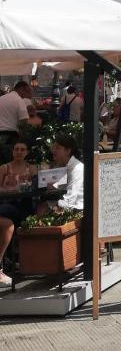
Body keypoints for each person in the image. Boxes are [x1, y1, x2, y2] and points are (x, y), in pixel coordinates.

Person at [0, 139, 37, 286]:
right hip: (5, 205)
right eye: (16, 149)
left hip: (23, 207)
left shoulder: (32, 168)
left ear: (27, 152)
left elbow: (37, 186)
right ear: (12, 151)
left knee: (8, 214)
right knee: (6, 220)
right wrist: (10, 190)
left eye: (22, 149)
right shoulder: (4, 168)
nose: (19, 152)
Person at [36, 133, 84, 215]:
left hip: (77, 208)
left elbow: (70, 198)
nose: (53, 150)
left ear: (68, 151)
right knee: (41, 206)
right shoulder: (62, 165)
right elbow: (55, 187)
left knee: (42, 209)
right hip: (66, 204)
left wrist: (55, 207)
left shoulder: (77, 168)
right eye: (53, 147)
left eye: (57, 148)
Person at [0, 81, 32, 148]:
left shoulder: (1, 98)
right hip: (9, 136)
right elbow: (24, 121)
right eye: (27, 91)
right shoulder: (19, 100)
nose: (27, 94)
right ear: (21, 89)